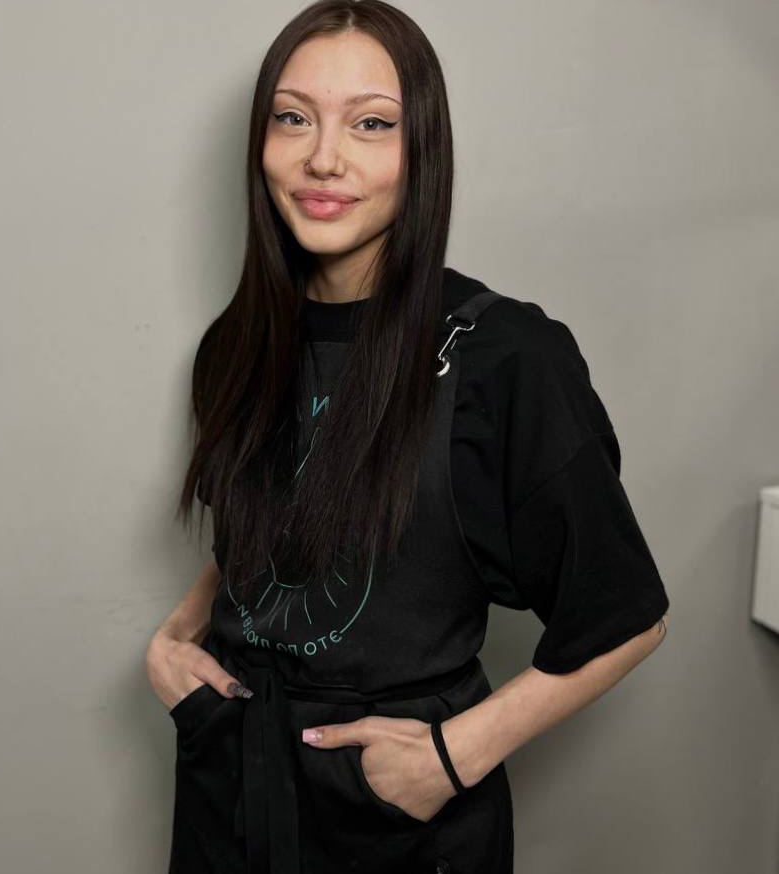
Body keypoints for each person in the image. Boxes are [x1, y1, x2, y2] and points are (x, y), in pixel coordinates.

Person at [144, 2, 671, 872]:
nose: (323, 157)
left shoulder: (503, 357)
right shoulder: (236, 343)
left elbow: (626, 615)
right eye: (292, 118)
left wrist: (451, 757)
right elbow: (260, 526)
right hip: (229, 783)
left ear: (423, 148)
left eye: (371, 124)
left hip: (394, 813)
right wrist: (177, 638)